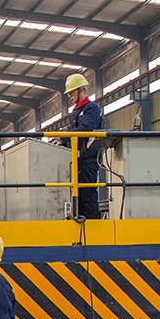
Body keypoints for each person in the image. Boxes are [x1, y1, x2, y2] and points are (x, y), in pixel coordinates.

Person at [61, 73, 104, 221]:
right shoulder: (76, 112)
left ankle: (93, 229)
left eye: (72, 92)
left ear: (81, 90)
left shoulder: (92, 109)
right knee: (77, 199)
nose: (70, 96)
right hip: (75, 162)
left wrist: (62, 136)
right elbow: (73, 138)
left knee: (88, 196)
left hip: (88, 161)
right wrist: (61, 142)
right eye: (69, 93)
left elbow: (84, 129)